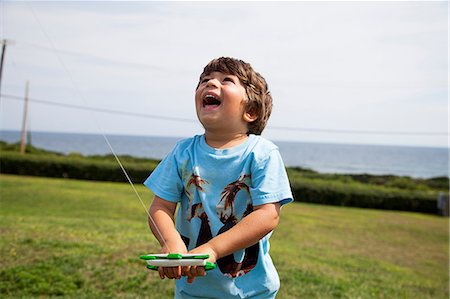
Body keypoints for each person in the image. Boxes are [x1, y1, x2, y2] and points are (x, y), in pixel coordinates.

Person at [144, 57, 293, 298]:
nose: (210, 84)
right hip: (193, 291)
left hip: (252, 292)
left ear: (251, 111)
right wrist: (171, 242)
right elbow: (160, 206)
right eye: (204, 80)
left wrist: (212, 249)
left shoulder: (262, 153)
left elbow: (267, 215)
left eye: (227, 80)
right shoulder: (182, 152)